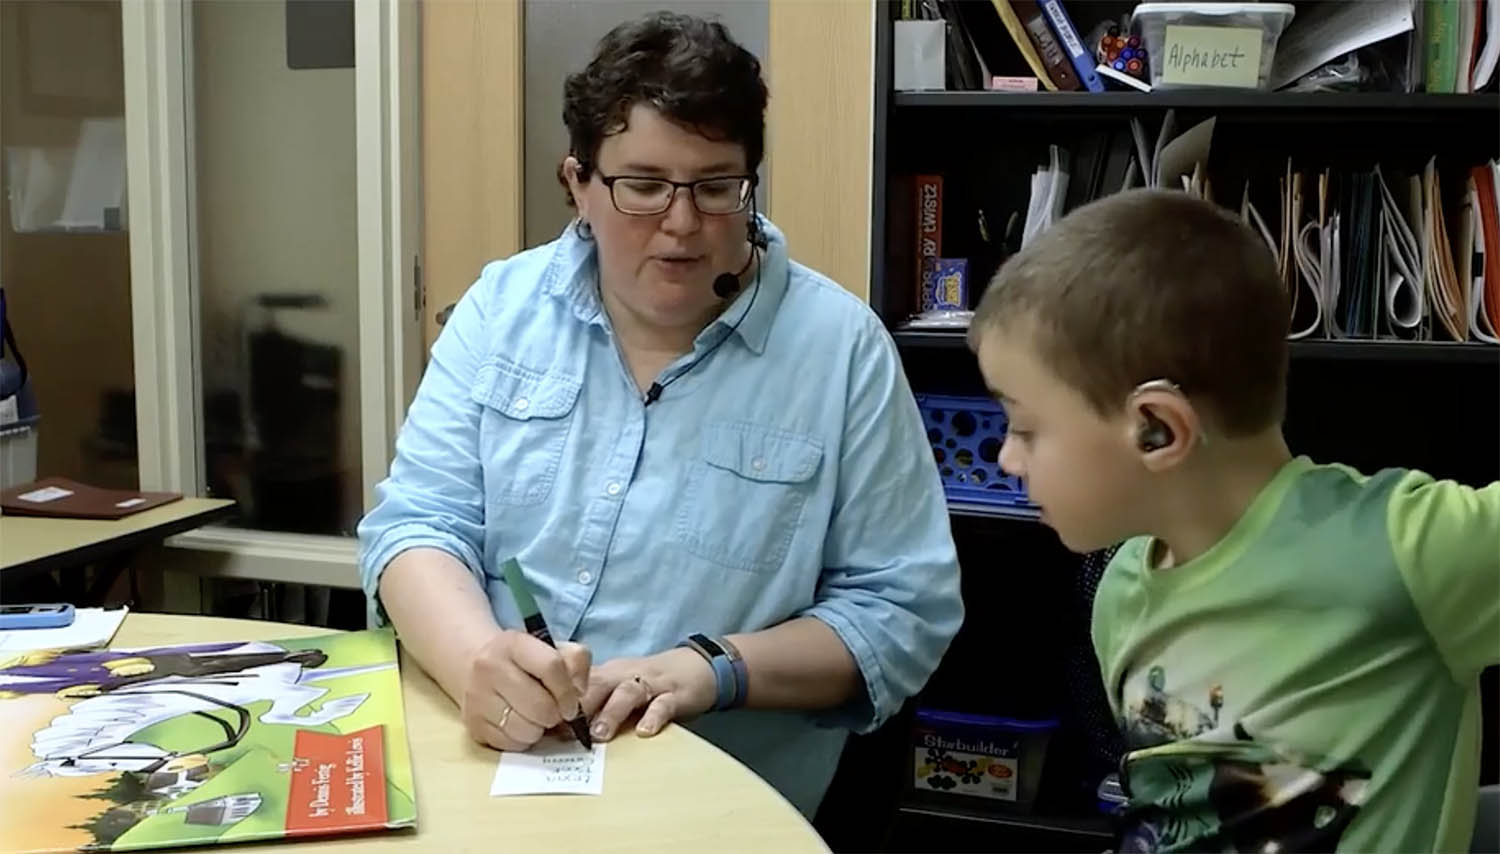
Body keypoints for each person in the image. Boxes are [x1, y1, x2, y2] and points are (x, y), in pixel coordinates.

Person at [357, 11, 963, 817]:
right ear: (578, 184)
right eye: (642, 186)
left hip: (714, 804)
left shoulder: (840, 350)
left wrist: (709, 671)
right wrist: (478, 661)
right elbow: (419, 526)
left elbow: (901, 610)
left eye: (715, 187)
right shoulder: (500, 310)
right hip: (483, 780)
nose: (681, 224)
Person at [966, 189, 1499, 852]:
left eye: (1023, 427)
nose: (1006, 457)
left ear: (1158, 430)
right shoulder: (1120, 589)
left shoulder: (1405, 552)